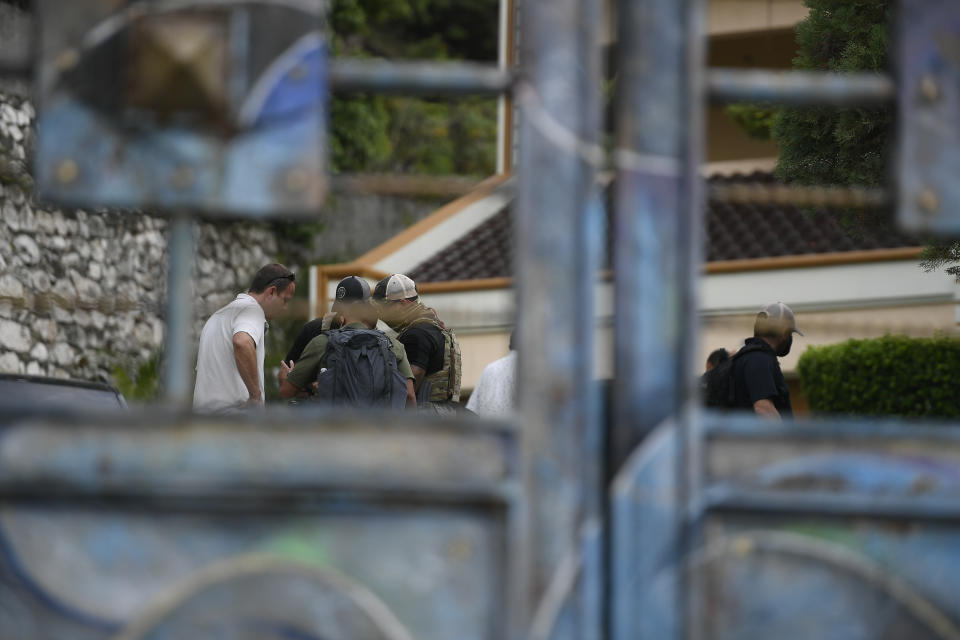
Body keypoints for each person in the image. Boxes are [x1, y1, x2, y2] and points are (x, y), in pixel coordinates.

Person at [278, 276, 417, 408]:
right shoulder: (394, 345)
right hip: (380, 429)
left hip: (335, 429)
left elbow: (286, 392)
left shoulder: (321, 342)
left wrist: (290, 377)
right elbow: (409, 395)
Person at [193, 263, 296, 413]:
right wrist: (255, 395)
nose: (285, 307)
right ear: (272, 292)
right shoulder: (252, 310)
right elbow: (242, 342)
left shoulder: (217, 317)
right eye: (285, 300)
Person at [372, 274, 463, 415]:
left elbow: (407, 392)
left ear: (402, 303)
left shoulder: (416, 333)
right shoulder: (434, 326)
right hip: (446, 413)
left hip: (426, 416)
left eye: (384, 307)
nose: (381, 315)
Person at [731, 301, 803, 420]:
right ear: (784, 333)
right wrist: (786, 438)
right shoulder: (759, 359)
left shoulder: (748, 357)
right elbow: (763, 409)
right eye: (790, 333)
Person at [466, 330, 517, 418]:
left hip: (487, 429)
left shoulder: (490, 369)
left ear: (510, 345)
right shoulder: (533, 370)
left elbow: (472, 411)